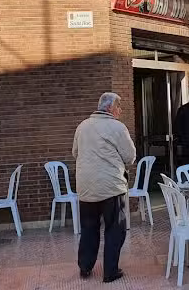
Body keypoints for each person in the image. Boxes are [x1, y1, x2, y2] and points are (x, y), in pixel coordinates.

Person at [72, 92, 136, 283]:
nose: (120, 110)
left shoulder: (82, 126)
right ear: (109, 108)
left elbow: (75, 153)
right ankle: (110, 271)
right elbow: (130, 157)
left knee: (88, 228)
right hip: (111, 188)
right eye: (118, 106)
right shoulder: (117, 127)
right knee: (115, 229)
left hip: (86, 187)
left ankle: (85, 267)